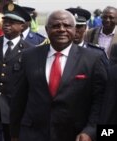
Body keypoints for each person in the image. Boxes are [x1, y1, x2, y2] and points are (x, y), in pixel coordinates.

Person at [10, 10, 108, 141]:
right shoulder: (29, 56)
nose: (61, 29)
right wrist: (14, 134)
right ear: (46, 29)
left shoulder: (93, 59)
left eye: (67, 26)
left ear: (75, 29)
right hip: (33, 134)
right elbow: (19, 98)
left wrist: (91, 131)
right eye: (56, 26)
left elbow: (100, 101)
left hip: (75, 135)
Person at [0, 3, 32, 141]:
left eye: (12, 22)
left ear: (22, 26)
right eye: (5, 21)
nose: (7, 25)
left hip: (13, 109)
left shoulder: (30, 50)